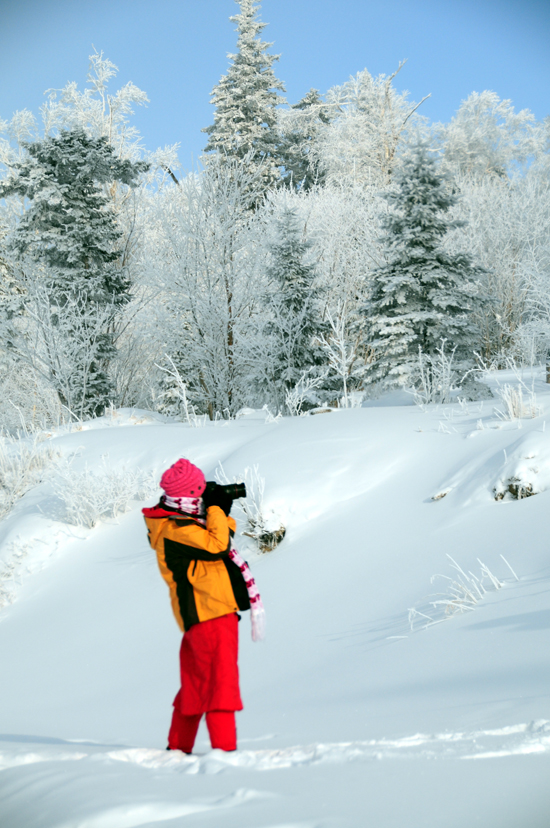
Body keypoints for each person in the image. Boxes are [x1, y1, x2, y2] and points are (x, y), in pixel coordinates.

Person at [143, 457, 264, 754]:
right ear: (186, 496)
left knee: (197, 685)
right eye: (198, 494)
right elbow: (218, 545)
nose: (201, 499)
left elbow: (222, 536)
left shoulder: (183, 522)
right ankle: (225, 752)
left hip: (209, 614)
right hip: (209, 613)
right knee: (220, 684)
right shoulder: (176, 529)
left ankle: (178, 749)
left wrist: (221, 509)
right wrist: (214, 508)